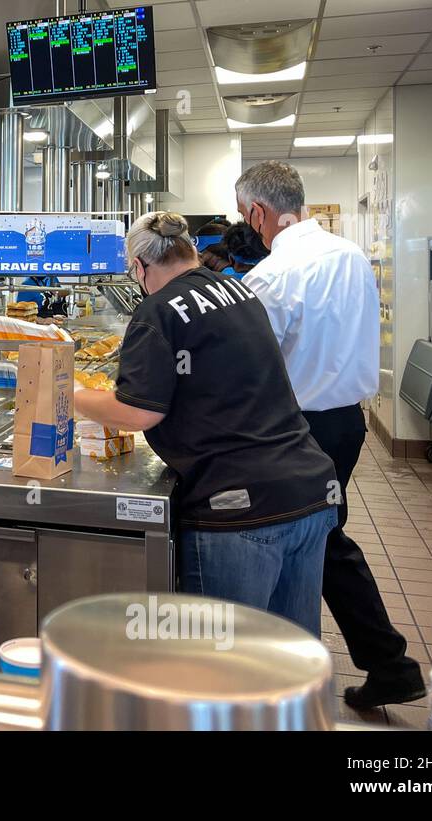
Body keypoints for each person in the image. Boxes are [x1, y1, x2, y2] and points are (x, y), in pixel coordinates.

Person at [75, 211, 338, 636]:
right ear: (190, 250)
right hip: (307, 491)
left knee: (223, 664)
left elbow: (138, 412)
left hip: (239, 509)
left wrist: (71, 396)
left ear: (140, 267)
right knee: (291, 658)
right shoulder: (239, 291)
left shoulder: (157, 312)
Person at [235, 160, 425, 708]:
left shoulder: (272, 276)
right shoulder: (350, 255)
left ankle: (375, 662)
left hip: (299, 429)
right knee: (322, 532)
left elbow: (249, 365)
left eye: (247, 218)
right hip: (348, 422)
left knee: (305, 538)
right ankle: (385, 663)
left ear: (258, 212)